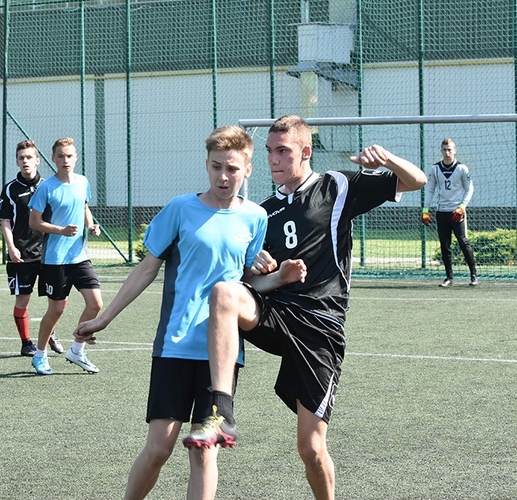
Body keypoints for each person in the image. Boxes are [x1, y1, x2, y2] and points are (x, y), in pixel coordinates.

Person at [181, 115, 427, 500]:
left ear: (305, 152)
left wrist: (388, 160)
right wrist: (258, 268)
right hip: (277, 315)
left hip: (320, 327)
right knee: (225, 294)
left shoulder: (337, 186)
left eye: (283, 151)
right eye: (269, 152)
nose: (274, 160)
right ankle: (220, 411)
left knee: (311, 450)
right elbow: (250, 283)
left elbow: (417, 181)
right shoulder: (261, 213)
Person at [73, 126, 281, 500]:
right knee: (159, 449)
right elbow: (146, 269)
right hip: (175, 344)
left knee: (204, 452)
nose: (223, 176)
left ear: (248, 170)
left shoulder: (255, 217)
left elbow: (246, 286)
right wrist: (105, 317)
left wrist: (278, 276)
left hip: (223, 356)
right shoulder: (180, 209)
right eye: (216, 167)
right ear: (206, 165)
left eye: (232, 169)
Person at [27, 137, 102, 375]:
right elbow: (34, 221)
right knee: (56, 310)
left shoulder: (83, 182)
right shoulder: (46, 187)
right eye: (60, 156)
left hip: (79, 256)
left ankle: (77, 350)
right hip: (54, 259)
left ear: (76, 157)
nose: (65, 160)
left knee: (96, 304)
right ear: (54, 159)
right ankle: (39, 355)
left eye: (69, 155)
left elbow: (83, 207)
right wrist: (60, 230)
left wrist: (90, 225)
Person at [0, 139, 64, 357]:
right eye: (21, 158)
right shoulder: (10, 189)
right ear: (17, 162)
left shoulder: (48, 185)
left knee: (57, 299)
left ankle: (49, 333)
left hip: (48, 253)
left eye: (29, 157)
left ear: (37, 160)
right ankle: (26, 343)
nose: (25, 161)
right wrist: (11, 247)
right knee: (23, 299)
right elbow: (5, 220)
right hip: (22, 254)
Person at [421, 138, 479, 287]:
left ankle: (474, 275)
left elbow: (469, 189)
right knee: (444, 245)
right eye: (444, 150)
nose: (447, 153)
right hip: (442, 212)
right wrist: (425, 210)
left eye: (450, 150)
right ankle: (449, 277)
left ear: (455, 150)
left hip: (456, 212)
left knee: (463, 242)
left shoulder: (462, 169)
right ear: (441, 151)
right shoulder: (435, 169)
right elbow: (430, 189)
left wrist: (462, 206)